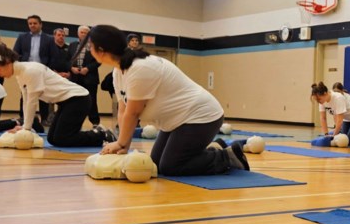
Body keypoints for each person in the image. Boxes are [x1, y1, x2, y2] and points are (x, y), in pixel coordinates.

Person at [87, 25, 248, 176]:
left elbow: (133, 112)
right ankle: (214, 147)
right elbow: (123, 110)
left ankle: (228, 157)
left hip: (201, 117)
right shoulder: (118, 72)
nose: (89, 49)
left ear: (101, 50)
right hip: (176, 121)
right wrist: (123, 146)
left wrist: (120, 143)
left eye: (90, 46)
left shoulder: (140, 68)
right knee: (156, 163)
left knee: (171, 166)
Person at [0, 44, 114, 147]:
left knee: (62, 139)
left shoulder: (30, 71)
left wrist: (26, 129)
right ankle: (96, 134)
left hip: (78, 100)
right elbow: (25, 101)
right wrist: (25, 126)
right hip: (66, 102)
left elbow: (32, 101)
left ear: (8, 62)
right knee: (53, 139)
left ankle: (101, 135)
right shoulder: (20, 74)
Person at [12, 15, 56, 126]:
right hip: (26, 70)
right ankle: (23, 117)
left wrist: (49, 69)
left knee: (43, 94)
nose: (32, 25)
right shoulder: (22, 37)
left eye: (35, 23)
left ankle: (45, 118)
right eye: (30, 23)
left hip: (42, 71)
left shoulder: (49, 39)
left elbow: (53, 56)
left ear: (41, 24)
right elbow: (15, 53)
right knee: (25, 95)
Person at [69, 26, 101, 127]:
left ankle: (95, 122)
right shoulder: (72, 45)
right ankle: (74, 122)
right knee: (75, 101)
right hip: (75, 78)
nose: (84, 34)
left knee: (92, 101)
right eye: (82, 32)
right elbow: (67, 59)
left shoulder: (95, 46)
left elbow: (99, 60)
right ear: (78, 34)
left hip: (90, 77)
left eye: (86, 32)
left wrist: (87, 69)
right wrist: (71, 68)